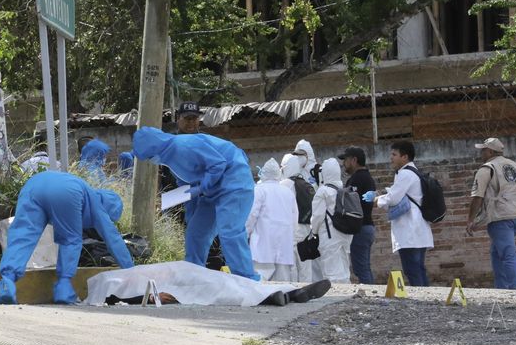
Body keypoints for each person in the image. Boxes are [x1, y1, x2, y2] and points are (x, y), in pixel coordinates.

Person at [132, 126, 259, 280]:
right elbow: (187, 187)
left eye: (148, 156)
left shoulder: (183, 145)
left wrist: (201, 187)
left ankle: (246, 279)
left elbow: (218, 163)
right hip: (212, 190)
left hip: (234, 182)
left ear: (153, 148)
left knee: (230, 231)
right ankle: (193, 275)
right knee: (196, 232)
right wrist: (191, 214)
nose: (150, 160)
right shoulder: (170, 158)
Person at [0, 171, 134, 305]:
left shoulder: (89, 192)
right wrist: (131, 270)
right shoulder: (97, 202)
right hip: (67, 191)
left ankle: (7, 282)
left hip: (33, 185)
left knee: (23, 235)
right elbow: (113, 238)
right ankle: (63, 288)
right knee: (71, 240)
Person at [84, 261, 331, 307]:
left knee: (228, 282)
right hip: (181, 282)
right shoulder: (112, 287)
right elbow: (144, 296)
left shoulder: (112, 279)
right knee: (221, 289)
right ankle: (279, 294)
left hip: (183, 273)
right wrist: (151, 298)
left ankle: (288, 292)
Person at [365, 141, 434, 287]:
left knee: (413, 269)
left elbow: (394, 198)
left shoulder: (405, 173)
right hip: (417, 230)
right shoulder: (412, 173)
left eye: (394, 154)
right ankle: (427, 299)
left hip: (410, 230)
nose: (391, 158)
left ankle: (423, 301)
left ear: (405, 157)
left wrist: (376, 200)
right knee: (418, 268)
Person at [466, 137, 516, 290]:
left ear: (490, 151)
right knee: (496, 252)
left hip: (500, 217)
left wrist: (470, 220)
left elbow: (477, 197)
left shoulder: (486, 169)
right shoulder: (514, 165)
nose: (481, 153)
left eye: (483, 150)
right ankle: (501, 288)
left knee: (508, 254)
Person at [246, 158, 297, 281]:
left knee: (261, 279)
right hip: (284, 243)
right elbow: (295, 217)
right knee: (282, 281)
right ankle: (283, 297)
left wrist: (245, 233)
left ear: (263, 173)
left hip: (263, 244)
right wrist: (292, 237)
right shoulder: (288, 192)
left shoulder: (259, 190)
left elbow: (251, 215)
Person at [310, 158, 354, 284]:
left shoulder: (323, 191)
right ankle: (347, 294)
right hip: (345, 236)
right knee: (344, 269)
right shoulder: (344, 190)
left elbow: (317, 216)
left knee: (331, 272)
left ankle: (336, 297)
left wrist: (313, 231)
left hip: (329, 237)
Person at [338, 146, 376, 284]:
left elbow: (350, 206)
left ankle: (371, 296)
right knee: (363, 267)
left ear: (354, 160)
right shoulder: (367, 178)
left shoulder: (358, 179)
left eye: (346, 160)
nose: (343, 164)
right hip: (367, 227)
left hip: (360, 228)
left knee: (361, 268)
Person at [280, 154, 317, 283]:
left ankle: (294, 289)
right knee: (305, 263)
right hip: (306, 228)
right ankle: (307, 288)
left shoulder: (283, 185)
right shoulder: (305, 183)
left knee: (292, 264)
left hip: (291, 228)